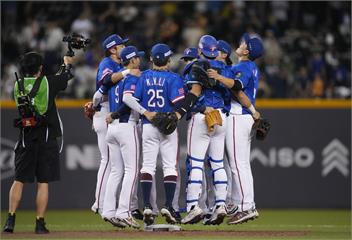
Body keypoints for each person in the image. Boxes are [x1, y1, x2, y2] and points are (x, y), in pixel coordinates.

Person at [2, 52, 74, 234]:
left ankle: (10, 221)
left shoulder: (17, 86)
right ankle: (39, 223)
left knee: (18, 180)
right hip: (46, 136)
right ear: (40, 68)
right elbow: (64, 78)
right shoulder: (47, 82)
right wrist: (67, 63)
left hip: (26, 136)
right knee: (43, 182)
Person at [123, 43, 185, 225]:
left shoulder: (142, 76)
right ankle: (167, 205)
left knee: (147, 167)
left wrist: (145, 112)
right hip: (167, 127)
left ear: (151, 59)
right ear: (168, 59)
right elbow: (179, 103)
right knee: (170, 167)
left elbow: (130, 99)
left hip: (148, 125)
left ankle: (148, 206)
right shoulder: (174, 78)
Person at [207, 33, 263, 224]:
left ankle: (246, 206)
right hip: (245, 116)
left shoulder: (244, 66)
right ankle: (241, 204)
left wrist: (218, 76)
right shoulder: (252, 67)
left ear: (247, 51)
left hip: (238, 116)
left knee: (237, 165)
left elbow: (237, 86)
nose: (239, 44)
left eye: (243, 43)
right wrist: (254, 111)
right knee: (243, 165)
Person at [176, 35, 229, 225]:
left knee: (196, 163)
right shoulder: (224, 67)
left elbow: (191, 93)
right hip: (221, 116)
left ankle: (192, 206)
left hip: (202, 116)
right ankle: (221, 205)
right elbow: (231, 91)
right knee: (218, 164)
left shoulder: (194, 66)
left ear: (200, 50)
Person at [89, 34, 141, 219]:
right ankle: (100, 204)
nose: (123, 48)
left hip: (110, 113)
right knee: (109, 161)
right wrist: (94, 107)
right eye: (121, 46)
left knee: (116, 166)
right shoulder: (107, 63)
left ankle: (117, 207)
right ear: (112, 49)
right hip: (106, 112)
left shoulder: (118, 65)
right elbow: (105, 82)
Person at [103, 46, 145, 229]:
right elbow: (128, 101)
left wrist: (96, 106)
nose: (139, 60)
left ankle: (108, 211)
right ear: (133, 60)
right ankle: (124, 212)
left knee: (116, 171)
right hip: (126, 125)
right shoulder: (132, 76)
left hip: (111, 128)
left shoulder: (116, 76)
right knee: (131, 170)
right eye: (138, 57)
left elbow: (99, 92)